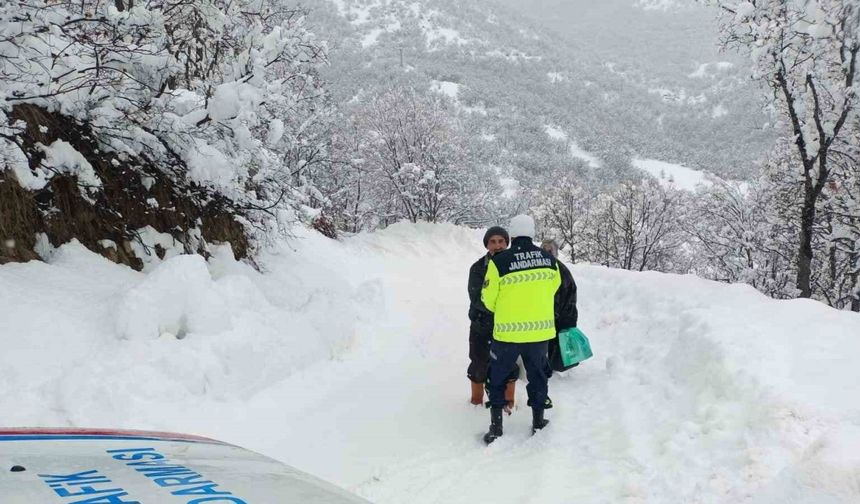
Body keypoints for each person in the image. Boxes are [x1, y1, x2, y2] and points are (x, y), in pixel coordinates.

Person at [480, 215, 561, 444]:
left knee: (497, 378)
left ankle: (496, 428)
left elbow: (488, 298)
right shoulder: (548, 259)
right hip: (539, 334)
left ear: (511, 235)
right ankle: (538, 422)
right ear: (532, 233)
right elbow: (553, 288)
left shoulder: (499, 262)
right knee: (537, 376)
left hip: (507, 334)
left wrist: (507, 309)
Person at [467, 226, 519, 409]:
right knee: (479, 362)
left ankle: (509, 403)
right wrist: (500, 308)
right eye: (493, 241)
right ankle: (476, 403)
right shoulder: (478, 268)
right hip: (482, 324)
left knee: (508, 364)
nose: (497, 245)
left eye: (501, 241)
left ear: (507, 243)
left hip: (508, 326)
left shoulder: (515, 265)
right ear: (487, 245)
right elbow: (476, 298)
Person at [540, 239, 579, 373]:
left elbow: (570, 296)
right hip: (539, 317)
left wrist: (568, 320)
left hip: (558, 316)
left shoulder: (562, 271)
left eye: (550, 250)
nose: (547, 252)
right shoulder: (535, 270)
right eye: (544, 249)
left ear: (556, 252)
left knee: (557, 347)